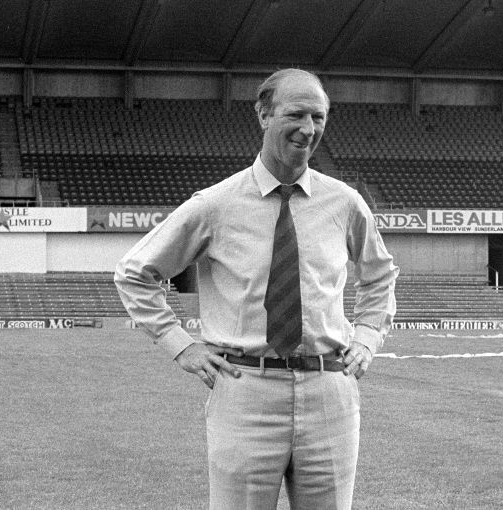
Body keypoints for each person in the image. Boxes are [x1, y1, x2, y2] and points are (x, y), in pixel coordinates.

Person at [115, 68, 399, 510]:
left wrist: (366, 337)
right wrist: (182, 346)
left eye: (319, 117)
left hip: (329, 391)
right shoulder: (215, 205)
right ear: (264, 115)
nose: (309, 129)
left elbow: (380, 274)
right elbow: (135, 273)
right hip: (244, 388)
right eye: (297, 114)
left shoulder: (344, 203)